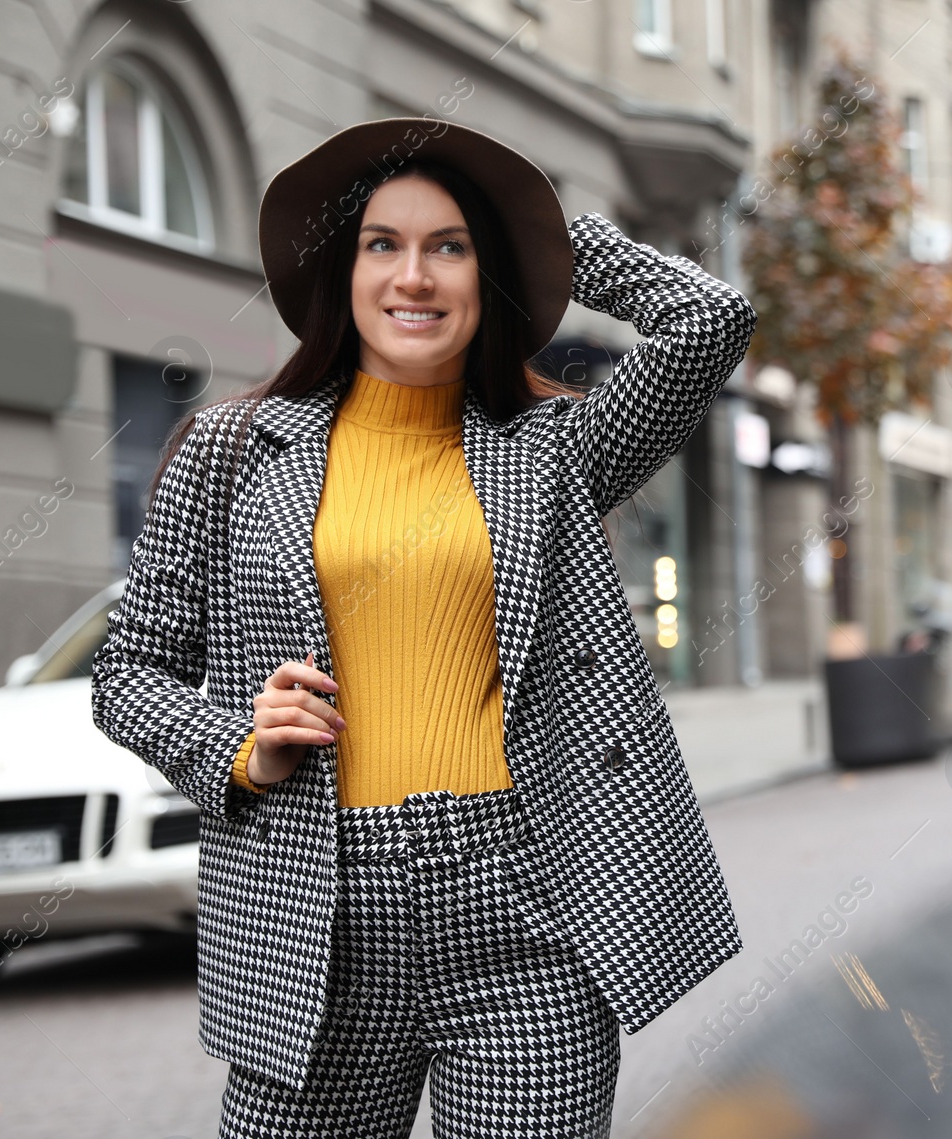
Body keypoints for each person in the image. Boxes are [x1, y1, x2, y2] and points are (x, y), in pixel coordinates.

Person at [90, 118, 756, 1138]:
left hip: (522, 909)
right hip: (311, 911)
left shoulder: (554, 454)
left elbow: (706, 320)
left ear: (488, 275)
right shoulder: (233, 452)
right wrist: (239, 746)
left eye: (451, 246)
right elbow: (127, 671)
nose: (417, 275)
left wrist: (538, 224)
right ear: (342, 275)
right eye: (383, 245)